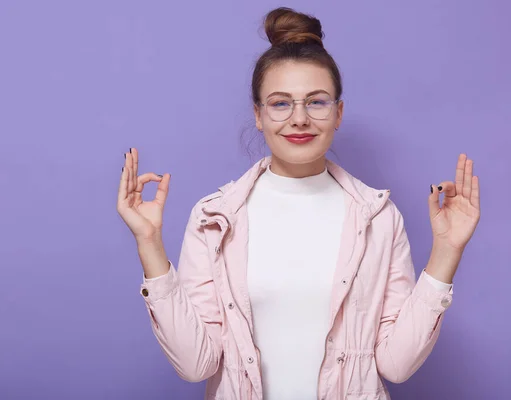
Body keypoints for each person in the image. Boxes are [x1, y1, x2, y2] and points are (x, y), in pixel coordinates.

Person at [116, 7, 480, 400]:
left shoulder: (378, 218)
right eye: (280, 103)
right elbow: (195, 365)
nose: (299, 118)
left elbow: (396, 364)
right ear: (258, 115)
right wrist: (150, 244)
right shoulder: (213, 218)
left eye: (317, 102)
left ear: (338, 113)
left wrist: (447, 251)